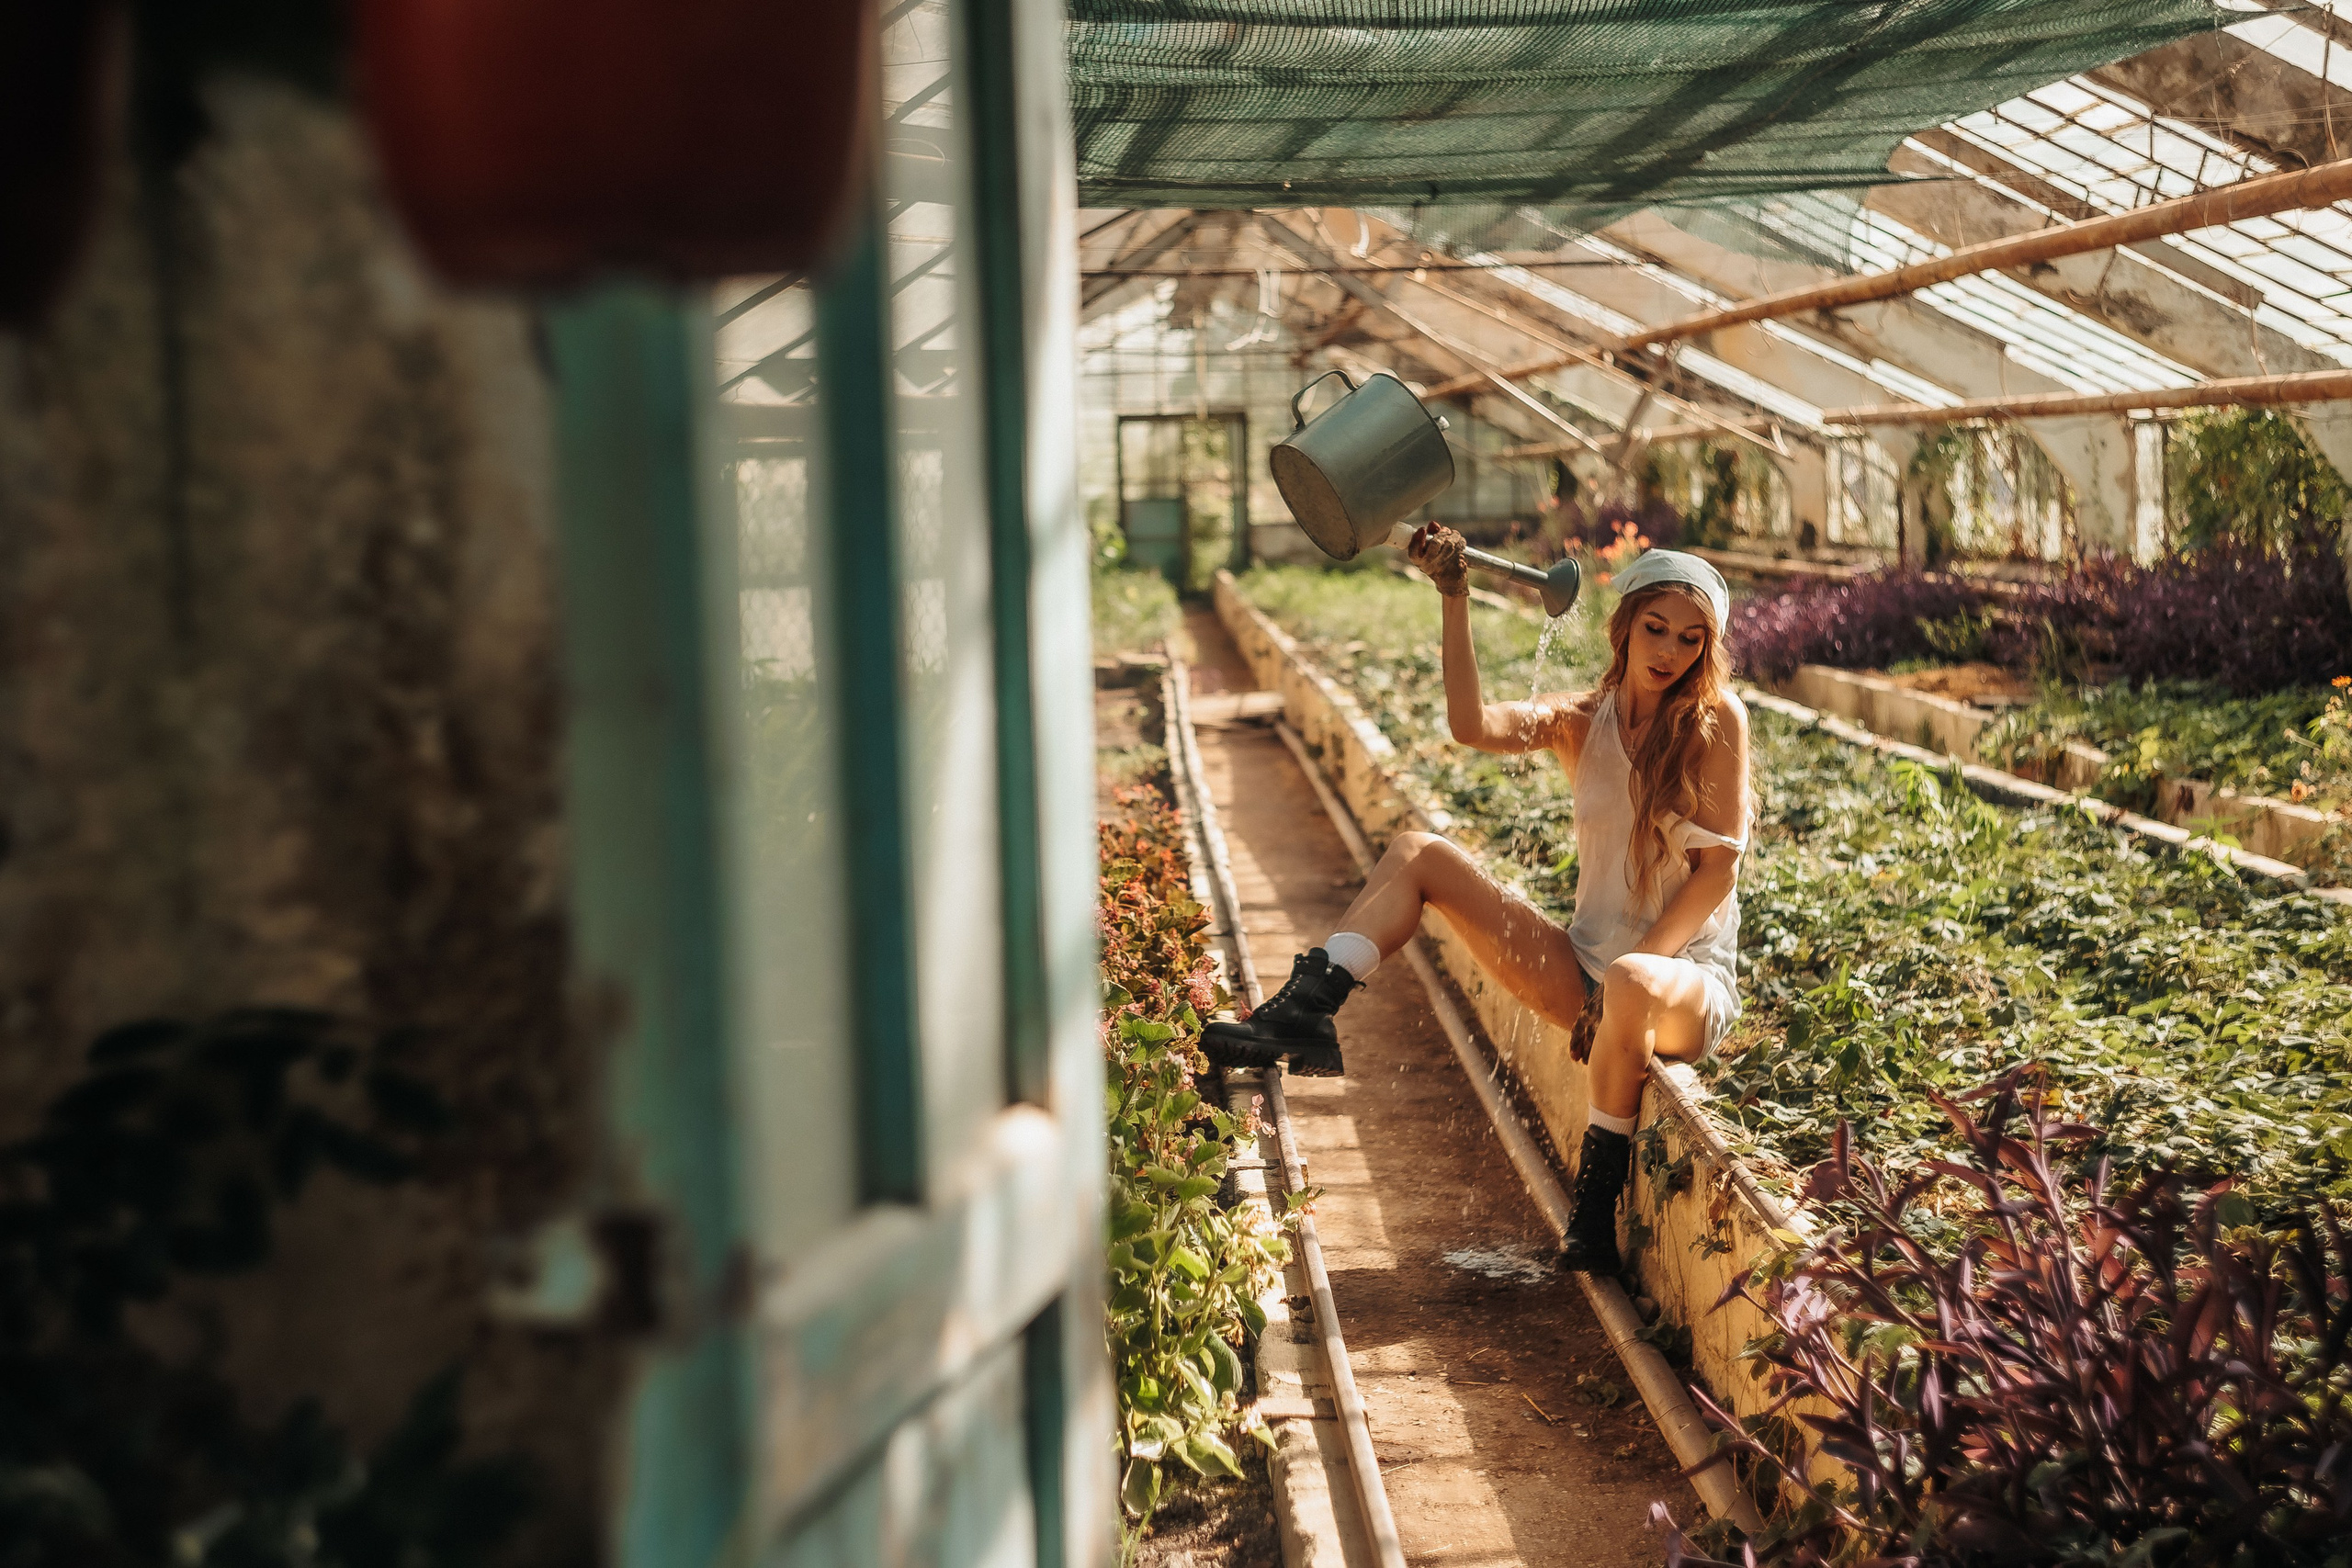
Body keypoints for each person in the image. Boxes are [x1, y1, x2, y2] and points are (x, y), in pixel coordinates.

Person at [1203, 525, 1750, 1272]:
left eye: (1691, 639)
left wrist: (1623, 983)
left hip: (1680, 984)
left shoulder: (1716, 721)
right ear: (1624, 626)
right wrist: (1453, 595)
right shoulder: (1579, 720)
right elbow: (1473, 725)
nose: (1670, 651)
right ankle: (1305, 1011)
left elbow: (1716, 873)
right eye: (1655, 628)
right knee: (1419, 853)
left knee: (1628, 978)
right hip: (1584, 970)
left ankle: (1594, 1209)